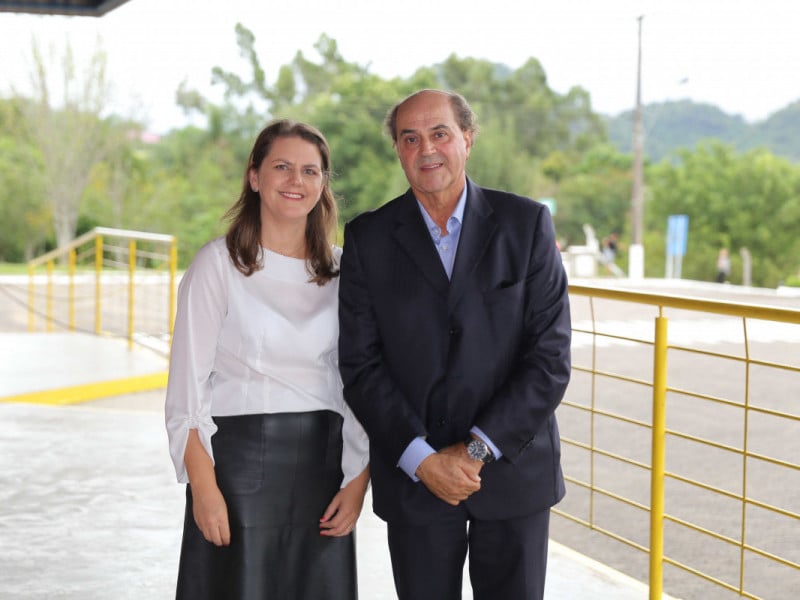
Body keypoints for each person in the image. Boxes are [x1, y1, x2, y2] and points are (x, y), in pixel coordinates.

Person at [338, 89, 572, 600]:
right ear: (398, 151)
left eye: (440, 133)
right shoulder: (367, 239)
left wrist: (475, 451)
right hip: (415, 479)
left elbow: (549, 359)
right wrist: (424, 460)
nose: (426, 149)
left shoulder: (526, 225)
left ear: (467, 138)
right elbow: (360, 365)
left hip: (512, 473)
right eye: (410, 138)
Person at [165, 119, 369, 600]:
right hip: (237, 473)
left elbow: (358, 382)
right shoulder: (217, 265)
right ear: (255, 176)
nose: (296, 180)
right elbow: (186, 392)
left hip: (323, 472)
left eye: (310, 171)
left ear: (323, 184)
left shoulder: (345, 270)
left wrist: (358, 480)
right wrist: (204, 490)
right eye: (282, 167)